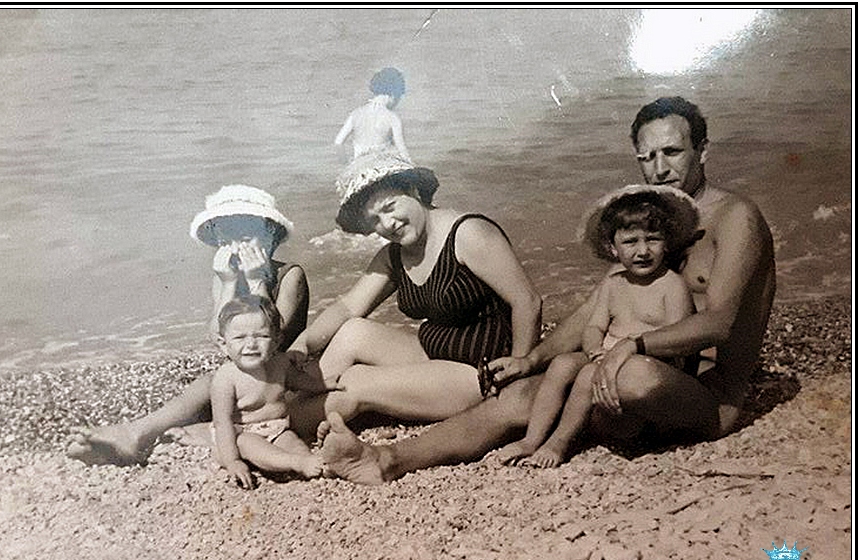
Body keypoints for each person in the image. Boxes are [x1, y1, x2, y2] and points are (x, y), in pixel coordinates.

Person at [319, 96, 776, 484]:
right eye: (647, 157)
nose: (659, 169)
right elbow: (597, 308)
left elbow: (719, 323)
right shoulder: (654, 223)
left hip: (704, 395)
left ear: (703, 149)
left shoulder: (735, 217)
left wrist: (629, 347)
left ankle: (571, 423)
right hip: (627, 370)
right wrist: (530, 359)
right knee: (517, 395)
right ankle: (387, 460)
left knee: (627, 375)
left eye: (673, 152)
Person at [287, 151, 542, 433]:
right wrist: (303, 344)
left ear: (412, 190)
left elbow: (526, 301)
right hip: (431, 356)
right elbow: (347, 307)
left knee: (358, 382)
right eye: (374, 220)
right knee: (352, 331)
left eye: (390, 207)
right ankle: (277, 402)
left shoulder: (468, 233)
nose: (387, 224)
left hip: (479, 373)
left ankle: (278, 425)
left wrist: (520, 373)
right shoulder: (394, 255)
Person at [67, 185, 309, 466]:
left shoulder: (290, 275)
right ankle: (135, 435)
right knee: (206, 385)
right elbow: (220, 340)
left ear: (271, 235)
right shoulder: (226, 275)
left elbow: (275, 338)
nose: (239, 241)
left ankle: (142, 436)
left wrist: (257, 279)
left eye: (249, 230)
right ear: (219, 239)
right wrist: (229, 282)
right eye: (230, 233)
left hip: (280, 380)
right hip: (242, 381)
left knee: (211, 384)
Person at [494, 185, 697, 469]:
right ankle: (532, 438)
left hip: (647, 369)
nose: (642, 251)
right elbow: (594, 327)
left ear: (668, 243)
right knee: (563, 364)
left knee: (590, 374)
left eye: (653, 239)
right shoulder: (614, 284)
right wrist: (594, 351)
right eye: (630, 242)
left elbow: (678, 343)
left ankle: (560, 442)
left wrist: (617, 359)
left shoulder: (671, 286)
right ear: (613, 248)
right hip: (606, 356)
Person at [210, 295, 326, 489]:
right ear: (224, 344)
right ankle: (294, 463)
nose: (251, 344)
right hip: (237, 434)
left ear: (276, 340)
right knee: (250, 445)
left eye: (261, 336)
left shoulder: (280, 364)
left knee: (294, 443)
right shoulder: (225, 379)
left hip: (277, 428)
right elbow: (223, 424)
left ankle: (308, 461)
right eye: (239, 337)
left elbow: (299, 381)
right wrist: (232, 461)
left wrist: (322, 386)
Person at [335, 67, 411, 161]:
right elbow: (402, 150)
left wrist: (345, 162)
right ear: (393, 95)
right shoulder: (392, 118)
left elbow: (338, 142)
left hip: (361, 164)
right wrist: (412, 166)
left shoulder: (355, 114)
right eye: (399, 97)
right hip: (382, 164)